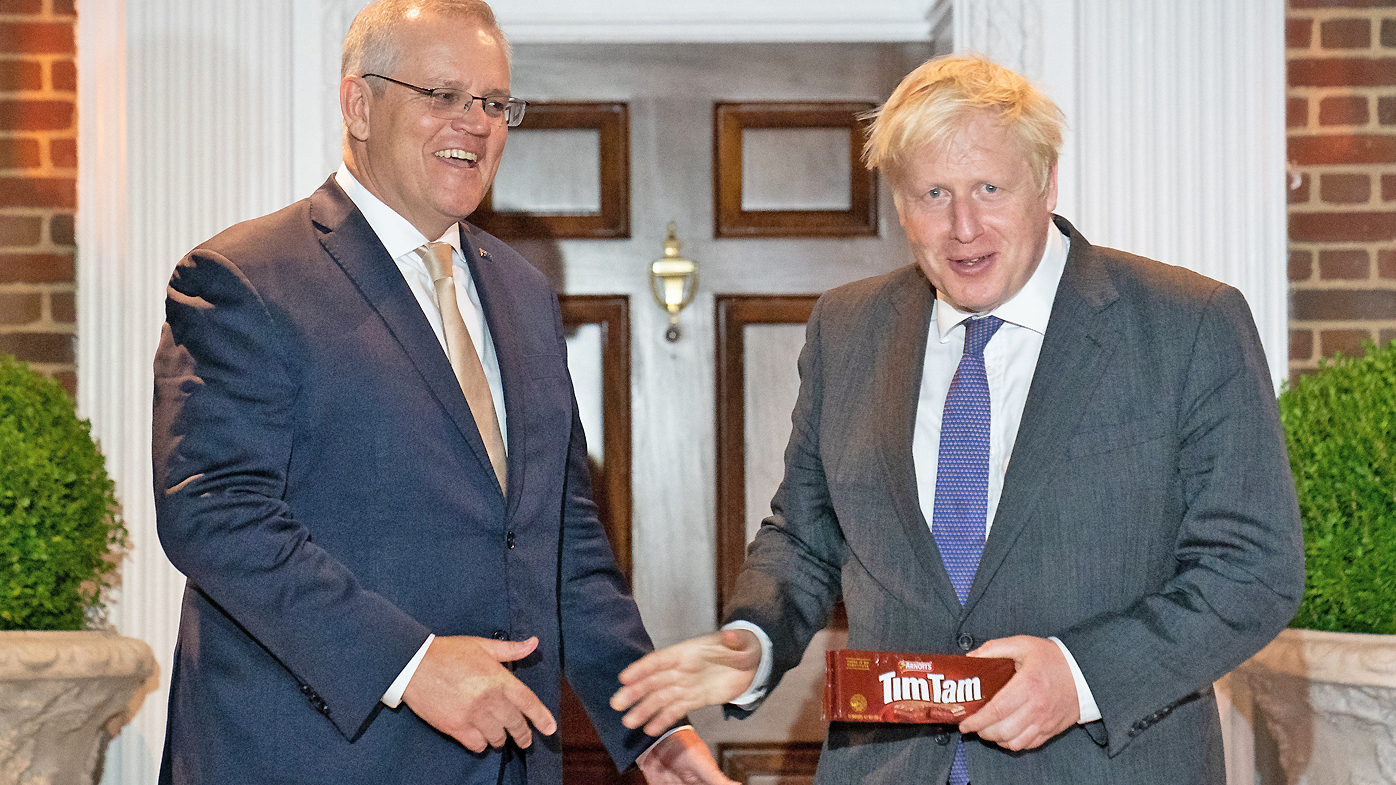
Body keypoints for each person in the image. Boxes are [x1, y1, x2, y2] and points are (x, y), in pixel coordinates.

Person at [610, 55, 1304, 784]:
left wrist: (1079, 678)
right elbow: (806, 537)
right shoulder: (847, 328)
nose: (963, 226)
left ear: (1046, 182)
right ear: (900, 205)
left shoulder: (1186, 323)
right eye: (933, 193)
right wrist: (754, 639)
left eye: (989, 188)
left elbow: (1253, 569)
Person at [151, 2, 733, 783]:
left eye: (495, 103)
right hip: (316, 761)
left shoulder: (523, 291)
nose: (476, 123)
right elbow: (214, 514)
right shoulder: (244, 279)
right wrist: (412, 664)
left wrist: (650, 729)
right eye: (442, 95)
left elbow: (563, 545)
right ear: (359, 104)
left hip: (510, 760)